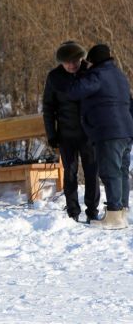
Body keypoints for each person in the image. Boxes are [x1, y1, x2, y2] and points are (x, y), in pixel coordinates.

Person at [65, 44, 133, 230]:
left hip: (108, 131)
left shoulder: (97, 75)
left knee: (110, 172)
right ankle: (121, 212)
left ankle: (113, 215)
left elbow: (75, 91)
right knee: (121, 172)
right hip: (126, 130)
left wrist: (82, 73)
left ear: (93, 61)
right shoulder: (119, 75)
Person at [43, 41, 99, 222]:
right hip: (66, 134)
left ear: (81, 59)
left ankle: (92, 210)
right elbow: (48, 108)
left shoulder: (90, 72)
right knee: (70, 173)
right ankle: (73, 211)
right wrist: (51, 134)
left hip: (90, 133)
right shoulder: (54, 77)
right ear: (61, 63)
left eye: (75, 60)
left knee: (92, 172)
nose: (72, 65)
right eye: (68, 62)